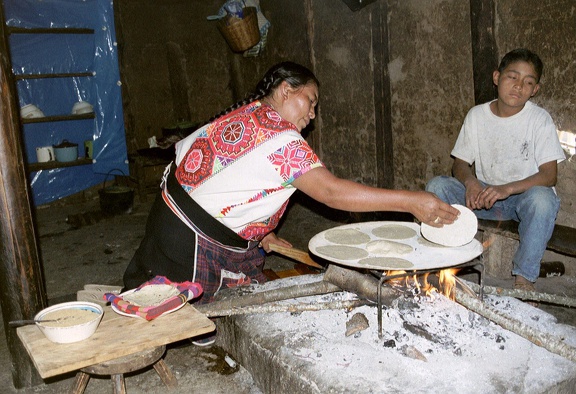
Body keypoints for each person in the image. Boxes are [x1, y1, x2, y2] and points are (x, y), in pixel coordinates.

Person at [123, 61, 459, 306]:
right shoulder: (279, 136)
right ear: (286, 90)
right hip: (191, 244)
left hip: (165, 221)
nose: (312, 114)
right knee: (207, 310)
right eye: (310, 101)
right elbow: (329, 191)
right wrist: (412, 201)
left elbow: (217, 175)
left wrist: (259, 229)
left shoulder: (248, 114)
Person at [426, 49, 565, 294]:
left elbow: (549, 175)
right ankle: (444, 262)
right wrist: (471, 183)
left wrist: (506, 189)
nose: (519, 86)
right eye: (513, 77)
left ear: (535, 90)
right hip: (484, 197)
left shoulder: (539, 120)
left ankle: (524, 277)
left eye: (528, 82)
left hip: (522, 200)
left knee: (543, 200)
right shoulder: (477, 116)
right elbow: (459, 163)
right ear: (496, 77)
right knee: (437, 187)